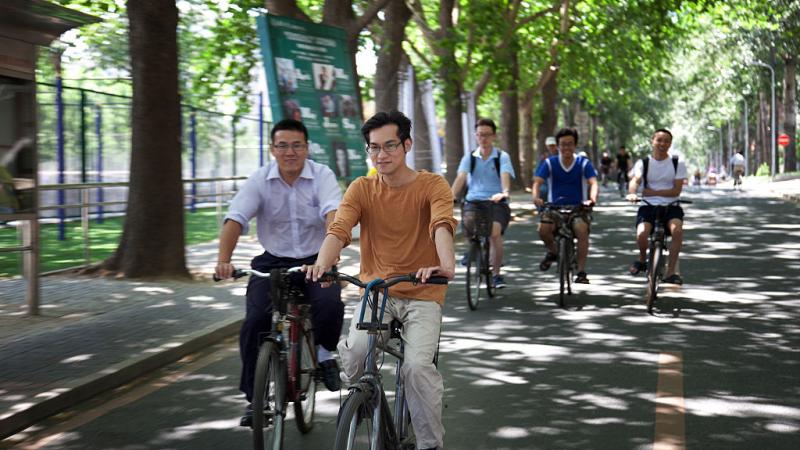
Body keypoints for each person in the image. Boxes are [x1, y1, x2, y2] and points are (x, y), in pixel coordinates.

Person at [306, 110, 456, 450]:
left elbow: (442, 224)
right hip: (377, 293)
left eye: (389, 146)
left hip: (423, 292)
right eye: (373, 148)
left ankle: (430, 445)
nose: (381, 155)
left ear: (406, 145)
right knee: (357, 354)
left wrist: (446, 265)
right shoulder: (362, 188)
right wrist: (321, 265)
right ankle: (363, 399)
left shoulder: (432, 185)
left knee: (417, 368)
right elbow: (339, 230)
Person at [214, 118, 345, 427]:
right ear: (272, 149)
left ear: (306, 148)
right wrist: (223, 260)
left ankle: (325, 355)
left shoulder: (322, 175)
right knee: (255, 322)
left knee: (329, 305)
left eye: (297, 145)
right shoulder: (260, 179)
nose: (290, 152)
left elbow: (333, 215)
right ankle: (254, 399)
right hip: (273, 261)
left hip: (316, 257)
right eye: (282, 145)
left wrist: (327, 259)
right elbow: (235, 217)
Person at [450, 118, 515, 288]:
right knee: (469, 226)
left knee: (494, 233)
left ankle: (496, 275)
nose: (483, 139)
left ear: (493, 136)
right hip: (474, 202)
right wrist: (450, 196)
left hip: (496, 202)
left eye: (486, 135)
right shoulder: (469, 157)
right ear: (475, 136)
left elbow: (505, 176)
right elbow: (461, 177)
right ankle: (473, 249)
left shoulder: (501, 157)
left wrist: (505, 192)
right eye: (479, 135)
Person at [532, 127, 599, 284]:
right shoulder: (550, 163)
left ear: (575, 145)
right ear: (558, 146)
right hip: (554, 207)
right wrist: (536, 197)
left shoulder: (583, 163)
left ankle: (581, 271)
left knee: (581, 230)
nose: (566, 148)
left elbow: (593, 183)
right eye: (563, 144)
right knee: (543, 230)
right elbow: (537, 182)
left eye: (570, 144)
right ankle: (554, 252)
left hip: (578, 208)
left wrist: (591, 199)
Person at [626, 128, 688, 285]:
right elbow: (636, 180)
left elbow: (676, 190)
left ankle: (671, 271)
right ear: (652, 141)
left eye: (666, 141)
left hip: (671, 206)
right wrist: (633, 193)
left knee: (677, 230)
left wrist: (652, 191)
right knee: (642, 233)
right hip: (648, 206)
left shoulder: (677, 162)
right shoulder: (643, 163)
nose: (662, 143)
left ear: (670, 144)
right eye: (659, 140)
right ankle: (642, 260)